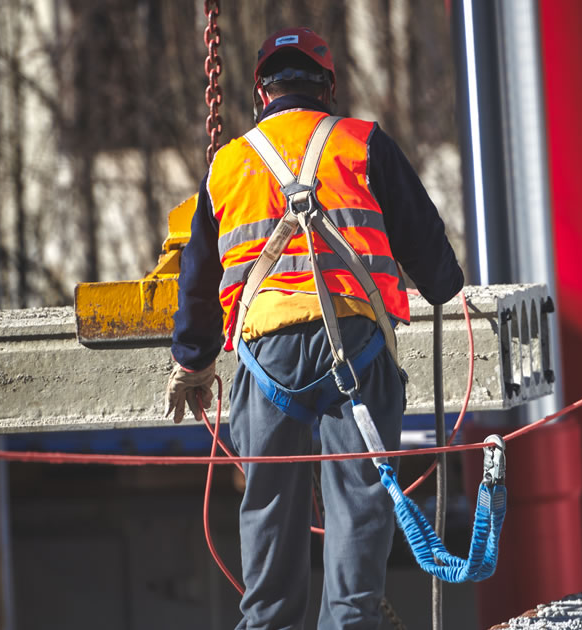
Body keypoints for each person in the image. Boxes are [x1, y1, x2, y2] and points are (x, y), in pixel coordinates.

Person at [164, 26, 464, 630]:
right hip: (355, 352)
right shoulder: (362, 143)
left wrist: (193, 361)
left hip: (264, 359)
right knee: (358, 502)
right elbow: (436, 266)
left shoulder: (230, 164)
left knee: (269, 508)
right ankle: (351, 621)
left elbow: (197, 276)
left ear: (260, 93)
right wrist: (439, 284)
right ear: (328, 86)